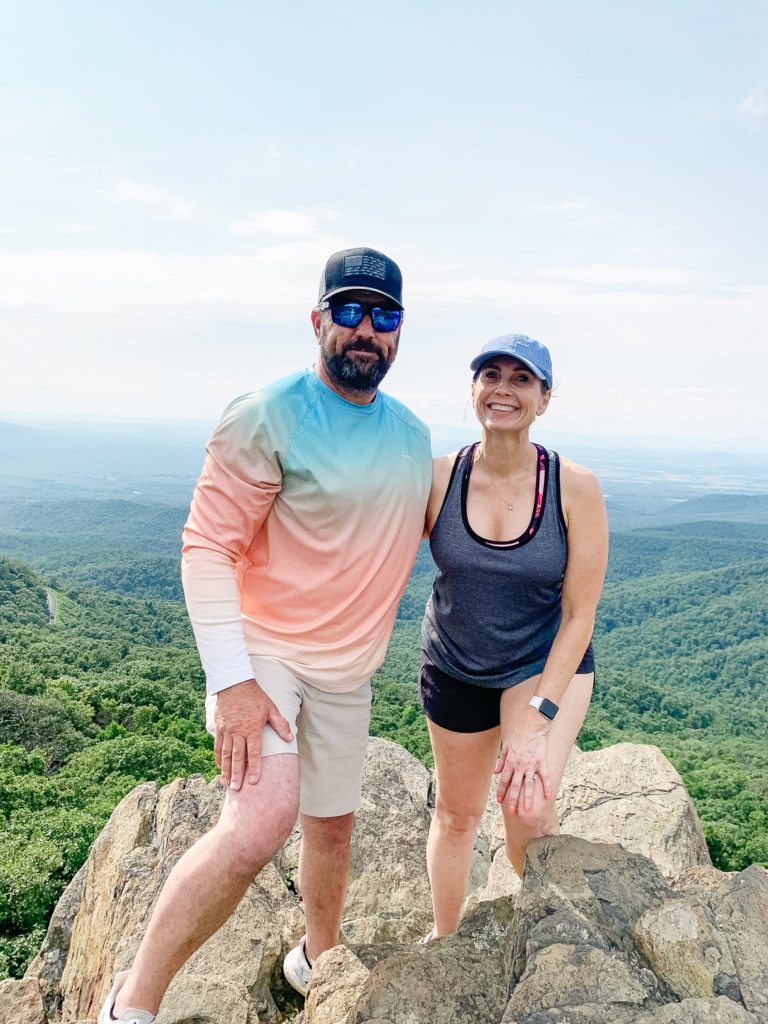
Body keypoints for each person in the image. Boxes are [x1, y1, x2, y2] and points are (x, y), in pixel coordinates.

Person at [98, 247, 431, 1023]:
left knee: (334, 826)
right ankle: (132, 1003)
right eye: (348, 311)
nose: (365, 330)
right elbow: (207, 546)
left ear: (400, 332)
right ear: (317, 321)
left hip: (348, 673)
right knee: (259, 824)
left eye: (383, 316)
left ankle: (313, 962)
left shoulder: (412, 438)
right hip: (265, 655)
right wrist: (233, 681)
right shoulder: (267, 413)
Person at [419, 333, 608, 938]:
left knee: (526, 803)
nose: (503, 389)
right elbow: (376, 561)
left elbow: (580, 613)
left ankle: (541, 939)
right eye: (491, 375)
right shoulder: (438, 479)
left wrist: (539, 712)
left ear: (545, 399)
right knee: (455, 814)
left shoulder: (574, 487)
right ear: (473, 390)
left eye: (522, 379)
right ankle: (445, 942)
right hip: (454, 662)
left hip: (541, 659)